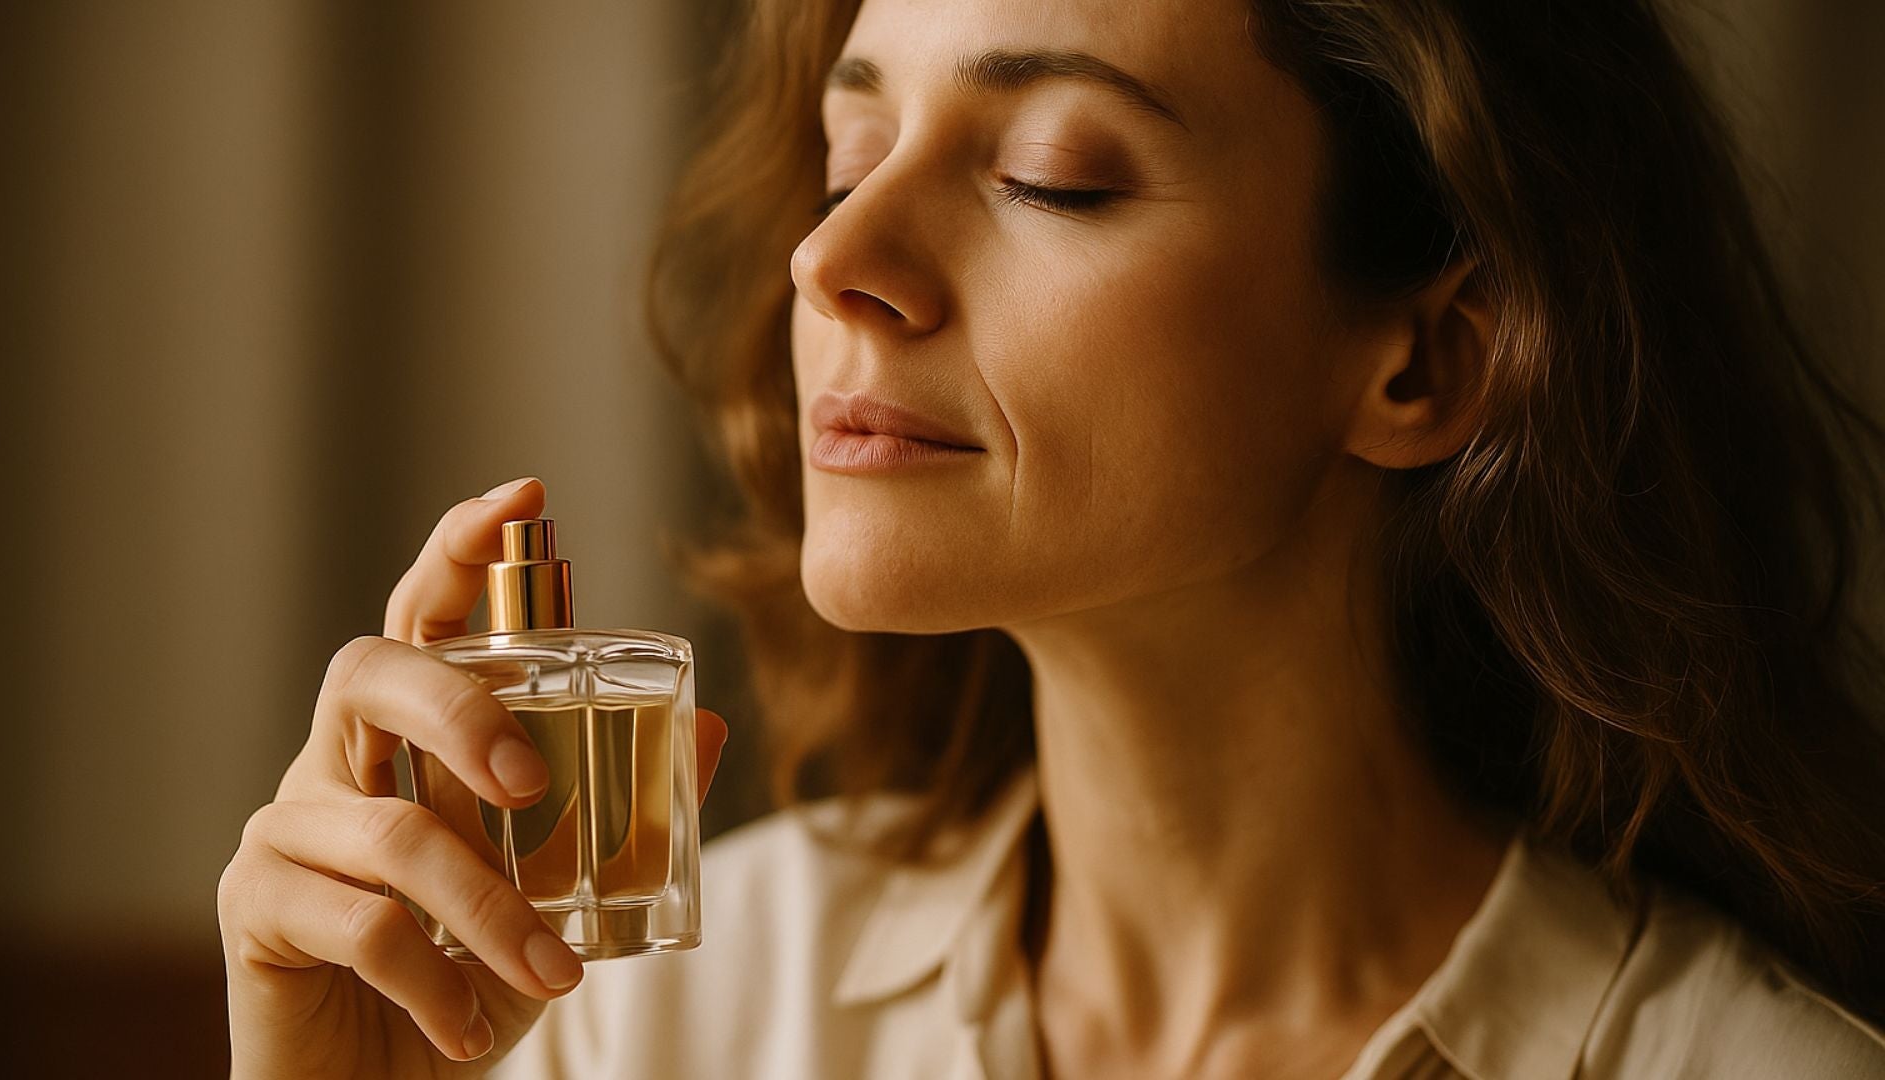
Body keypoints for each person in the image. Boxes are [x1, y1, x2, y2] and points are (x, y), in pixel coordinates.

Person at [217, 0, 1885, 1076]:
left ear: (1429, 359)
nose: (834, 256)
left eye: (1053, 175)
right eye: (851, 151)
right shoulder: (657, 1025)